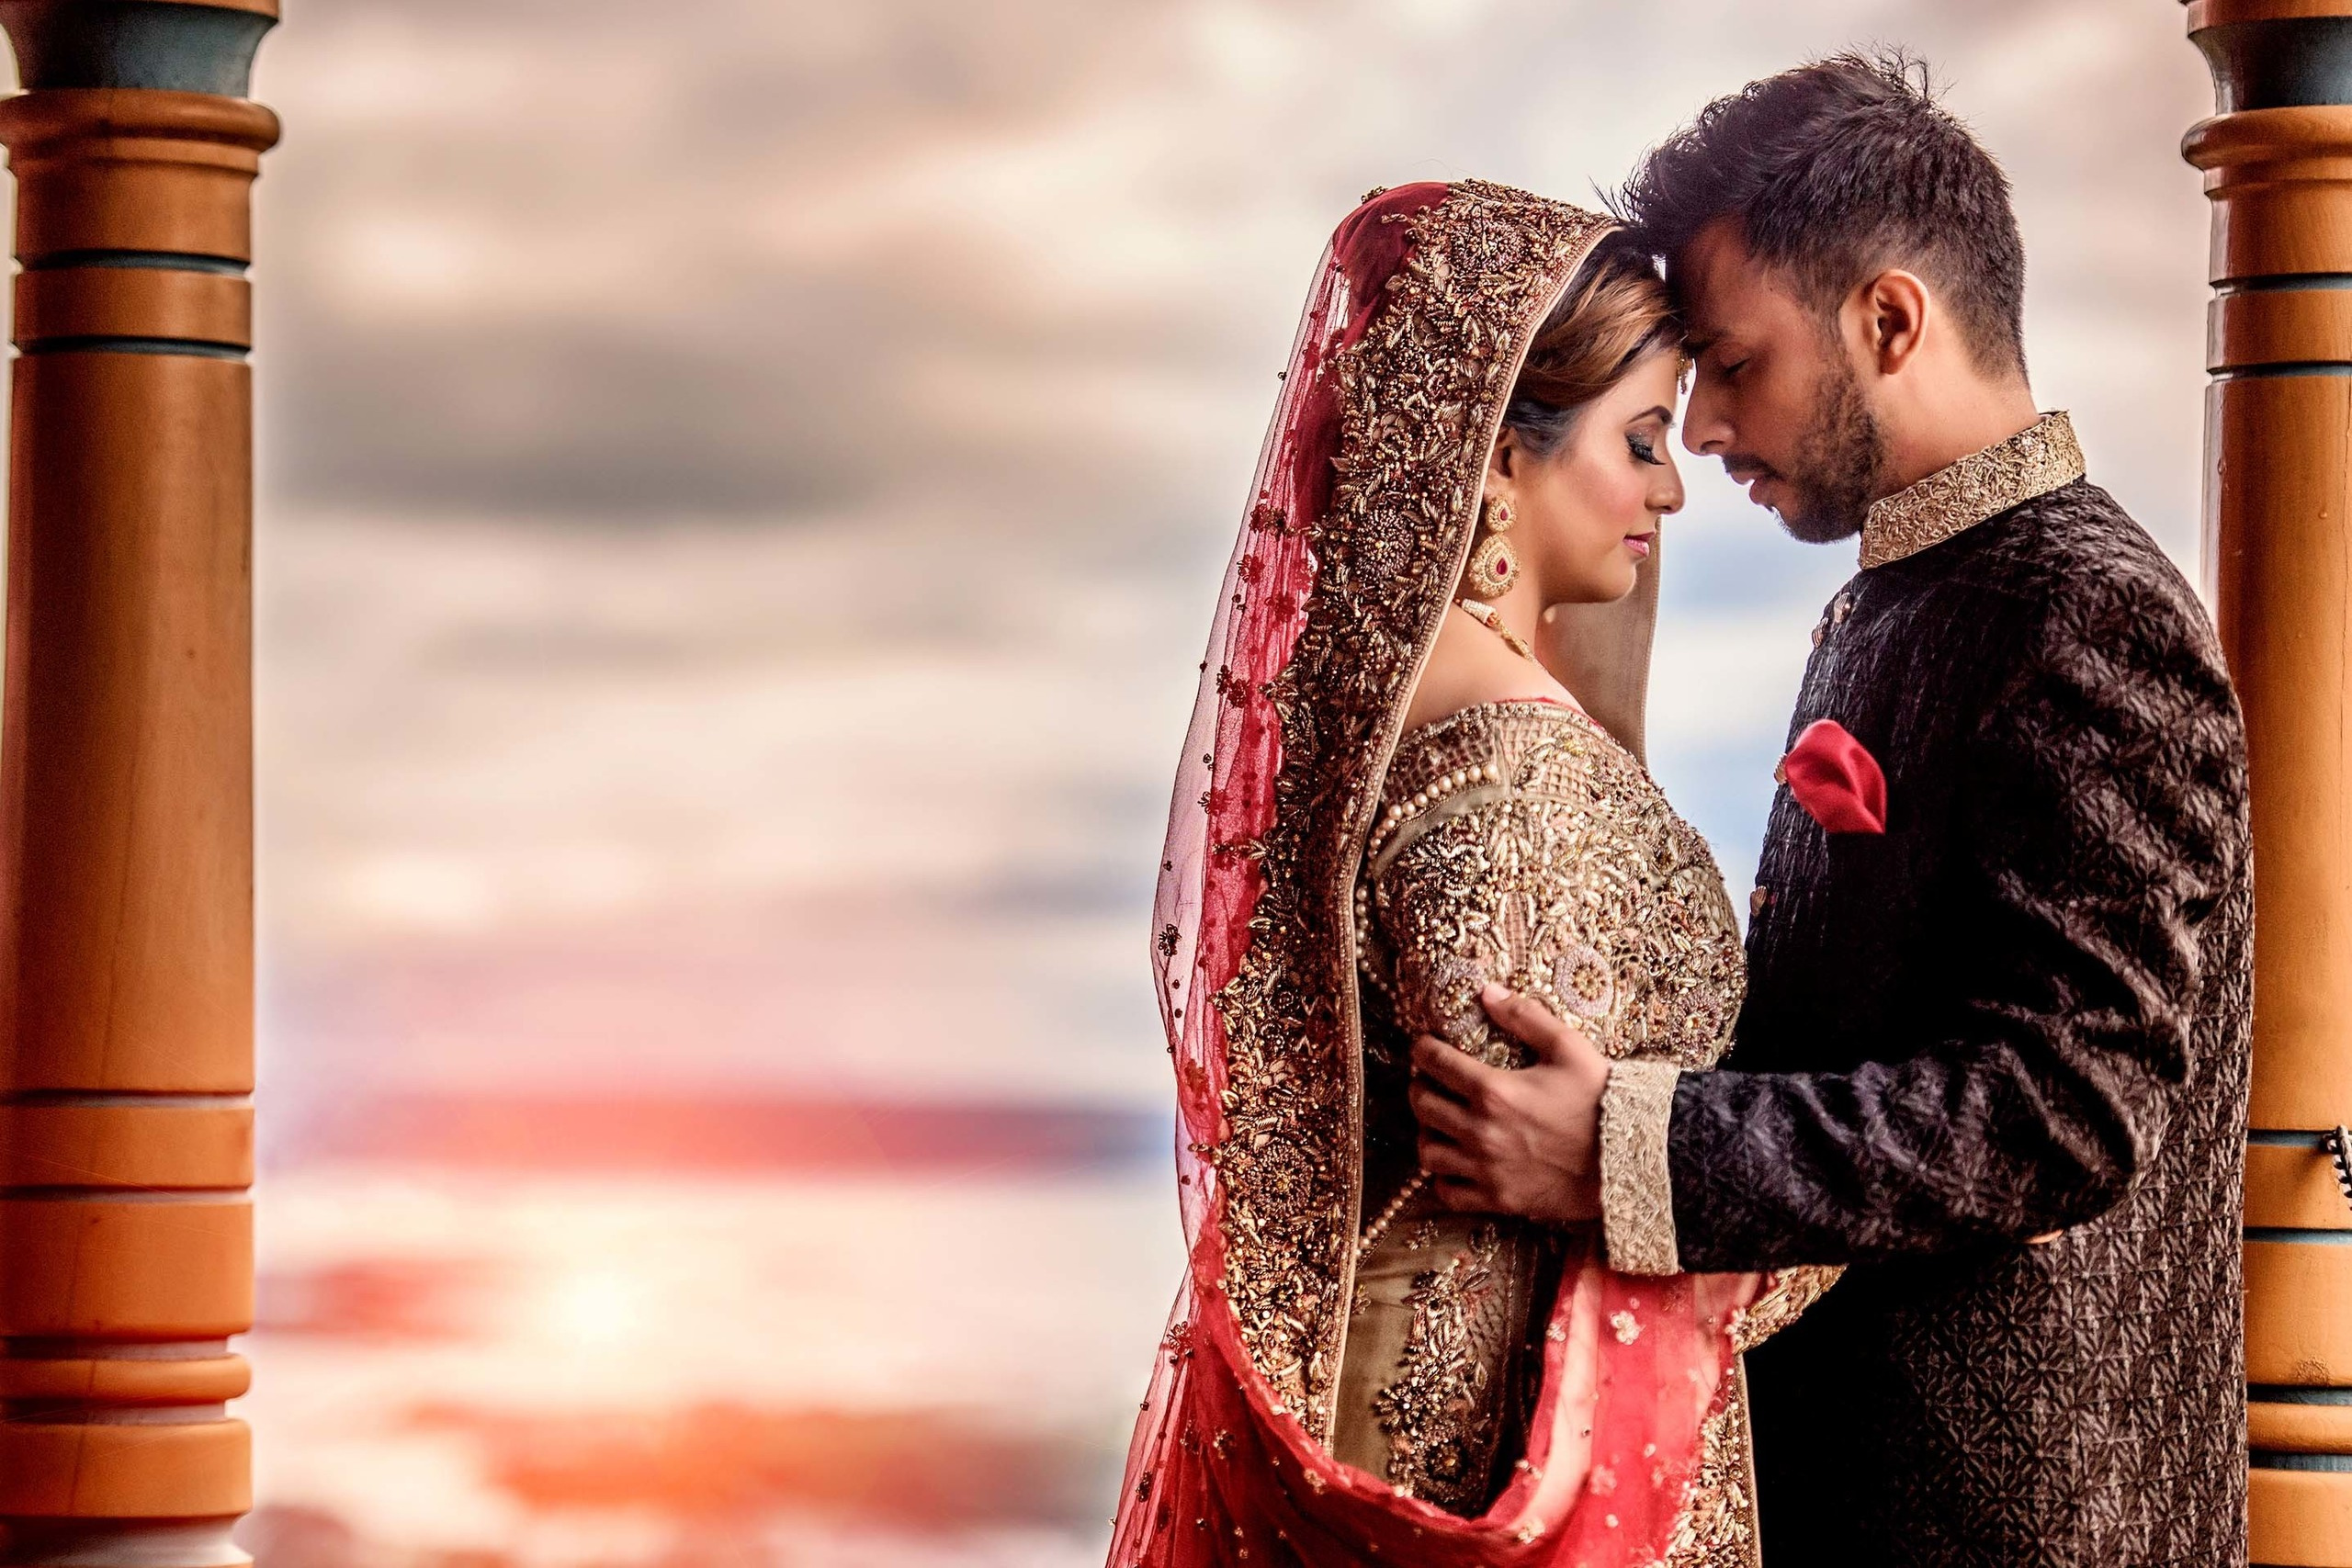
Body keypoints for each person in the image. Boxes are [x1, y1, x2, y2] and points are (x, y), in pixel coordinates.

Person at [1408, 54, 2254, 1567]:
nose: (1709, 426)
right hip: (1858, 1489)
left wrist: (1622, 1152)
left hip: (2012, 1524)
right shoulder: (1910, 587)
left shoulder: (2086, 613)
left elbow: (2062, 1107)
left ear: (1886, 319)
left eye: (1730, 366)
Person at [1109, 178, 1833, 1568]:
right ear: (1495, 456)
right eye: (1639, 439)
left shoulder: (1363, 719)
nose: (1672, 490)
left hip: (1367, 1391)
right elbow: (1558, 1164)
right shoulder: (1509, 762)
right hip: (1495, 1452)